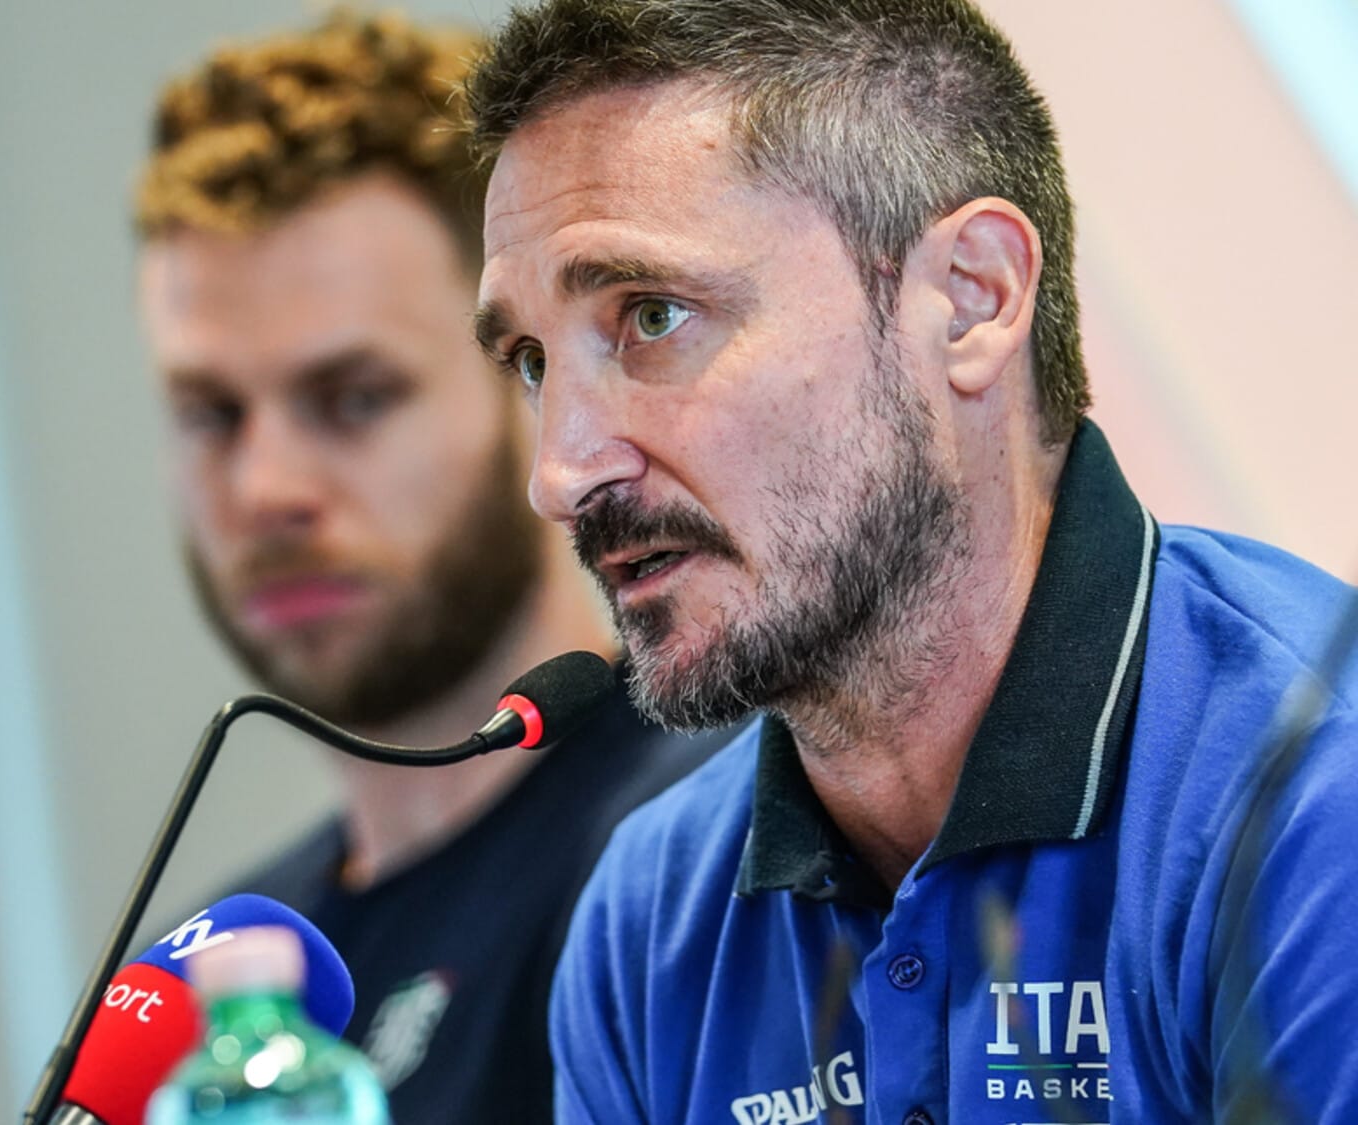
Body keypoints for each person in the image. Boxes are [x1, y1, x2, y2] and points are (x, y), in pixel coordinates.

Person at [460, 1, 1358, 1122]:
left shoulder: (1314, 797)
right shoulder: (647, 926)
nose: (560, 475)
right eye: (531, 361)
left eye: (651, 316)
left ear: (971, 298)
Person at [131, 13, 736, 1125]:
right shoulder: (211, 987)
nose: (266, 488)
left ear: (527, 382)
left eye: (354, 398)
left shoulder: (715, 845)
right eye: (211, 414)